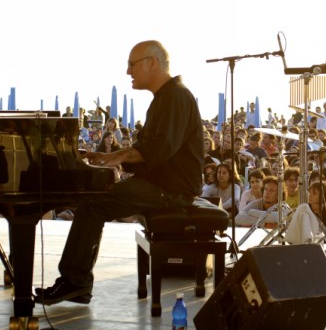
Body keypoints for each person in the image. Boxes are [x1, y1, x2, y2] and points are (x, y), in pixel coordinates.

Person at [35, 40, 203, 306]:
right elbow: (151, 153)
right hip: (161, 184)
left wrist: (117, 157)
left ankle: (75, 282)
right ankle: (76, 281)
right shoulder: (165, 98)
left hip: (172, 191)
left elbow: (160, 149)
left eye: (131, 64)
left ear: (152, 62)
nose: (128, 72)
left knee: (93, 203)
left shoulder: (177, 97)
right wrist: (108, 159)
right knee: (93, 199)